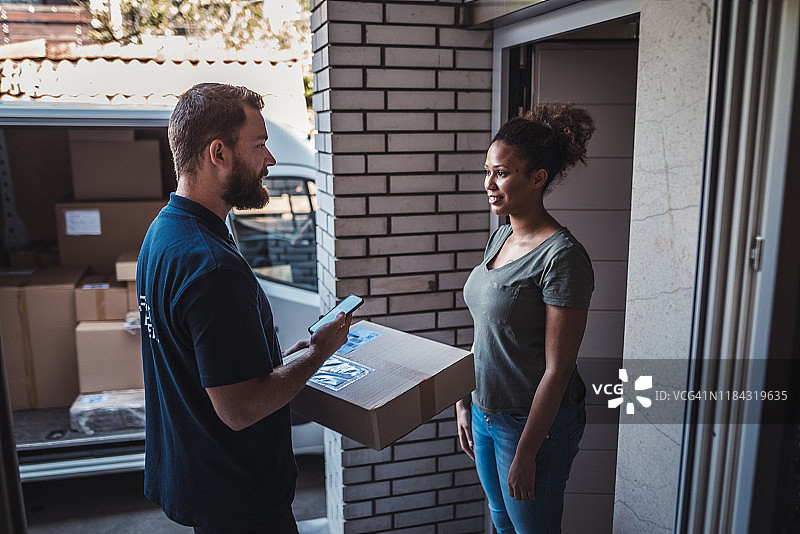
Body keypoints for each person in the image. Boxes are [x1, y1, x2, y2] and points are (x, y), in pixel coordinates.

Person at [137, 82, 351, 534]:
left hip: (202, 480)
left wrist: (279, 362)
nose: (269, 160)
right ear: (220, 153)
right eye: (259, 145)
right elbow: (239, 409)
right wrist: (318, 354)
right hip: (241, 500)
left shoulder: (162, 233)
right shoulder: (212, 266)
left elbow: (202, 363)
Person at [457, 103, 596, 533]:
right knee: (500, 523)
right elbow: (487, 331)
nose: (489, 184)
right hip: (485, 412)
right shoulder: (500, 238)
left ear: (538, 178)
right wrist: (464, 398)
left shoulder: (563, 257)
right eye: (487, 171)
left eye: (501, 173)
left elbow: (558, 370)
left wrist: (527, 452)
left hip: (532, 427)